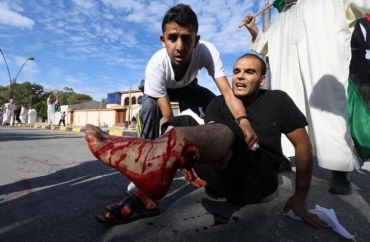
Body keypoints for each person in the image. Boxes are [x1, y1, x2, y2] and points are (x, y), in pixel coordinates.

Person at [84, 54, 327, 229]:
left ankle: (157, 152)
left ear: (262, 80)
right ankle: (147, 197)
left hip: (256, 179)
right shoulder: (217, 103)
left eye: (250, 72)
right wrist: (192, 153)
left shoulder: (278, 100)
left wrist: (300, 198)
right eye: (237, 71)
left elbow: (302, 145)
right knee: (181, 124)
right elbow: (213, 136)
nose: (241, 77)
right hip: (217, 180)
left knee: (230, 130)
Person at [243, 0, 370, 195]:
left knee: (329, 111)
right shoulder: (282, 16)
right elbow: (266, 44)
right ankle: (285, 156)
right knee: (290, 110)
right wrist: (252, 29)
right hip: (290, 70)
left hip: (323, 70)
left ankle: (340, 170)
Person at [139, 4, 257, 147]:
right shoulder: (156, 65)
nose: (180, 47)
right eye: (172, 38)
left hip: (188, 88)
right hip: (162, 91)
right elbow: (169, 117)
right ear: (163, 41)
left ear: (196, 41)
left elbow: (228, 93)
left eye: (186, 39)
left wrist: (244, 121)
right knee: (149, 107)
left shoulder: (207, 51)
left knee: (217, 105)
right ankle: (145, 149)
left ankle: (224, 148)